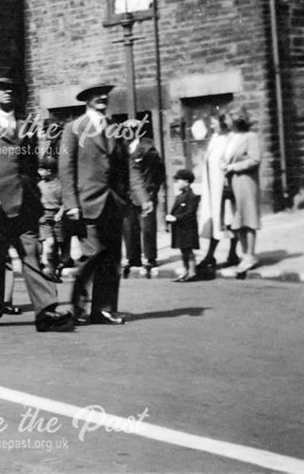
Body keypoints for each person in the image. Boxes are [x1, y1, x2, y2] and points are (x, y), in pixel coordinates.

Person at [0, 75, 74, 332]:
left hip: (24, 203)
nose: (8, 92)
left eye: (11, 88)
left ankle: (46, 312)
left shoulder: (25, 124)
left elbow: (31, 164)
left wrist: (34, 190)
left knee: (31, 254)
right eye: (1, 88)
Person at [59, 83, 149, 325]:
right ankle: (77, 307)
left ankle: (104, 309)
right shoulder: (73, 128)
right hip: (86, 202)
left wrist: (142, 197)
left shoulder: (115, 129)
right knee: (92, 254)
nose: (101, 98)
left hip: (113, 202)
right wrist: (71, 203)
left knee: (111, 257)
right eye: (95, 95)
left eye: (104, 95)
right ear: (86, 99)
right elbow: (65, 169)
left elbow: (128, 166)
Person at [196, 112, 239, 272]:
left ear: (222, 123)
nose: (211, 125)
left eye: (214, 123)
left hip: (225, 186)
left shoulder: (231, 139)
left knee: (228, 219)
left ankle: (227, 253)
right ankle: (212, 256)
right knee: (217, 220)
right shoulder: (215, 138)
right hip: (213, 188)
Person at [222, 107, 262, 279]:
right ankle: (244, 253)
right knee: (237, 220)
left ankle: (250, 255)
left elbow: (255, 159)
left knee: (248, 218)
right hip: (232, 182)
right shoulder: (230, 138)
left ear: (237, 119)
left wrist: (234, 167)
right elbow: (226, 157)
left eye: (229, 118)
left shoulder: (250, 137)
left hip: (246, 181)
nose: (227, 122)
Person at [123, 121, 165, 278]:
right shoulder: (121, 148)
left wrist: (152, 190)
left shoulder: (148, 149)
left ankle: (150, 257)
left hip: (145, 192)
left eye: (132, 129)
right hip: (127, 194)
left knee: (147, 227)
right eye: (126, 129)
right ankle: (133, 258)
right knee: (129, 227)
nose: (128, 132)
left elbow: (158, 172)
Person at [166, 169, 200, 282]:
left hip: (187, 229)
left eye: (178, 181)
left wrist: (175, 218)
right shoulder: (180, 196)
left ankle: (192, 272)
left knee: (188, 250)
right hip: (180, 229)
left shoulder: (192, 196)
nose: (177, 184)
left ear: (186, 182)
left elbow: (190, 213)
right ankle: (186, 271)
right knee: (183, 250)